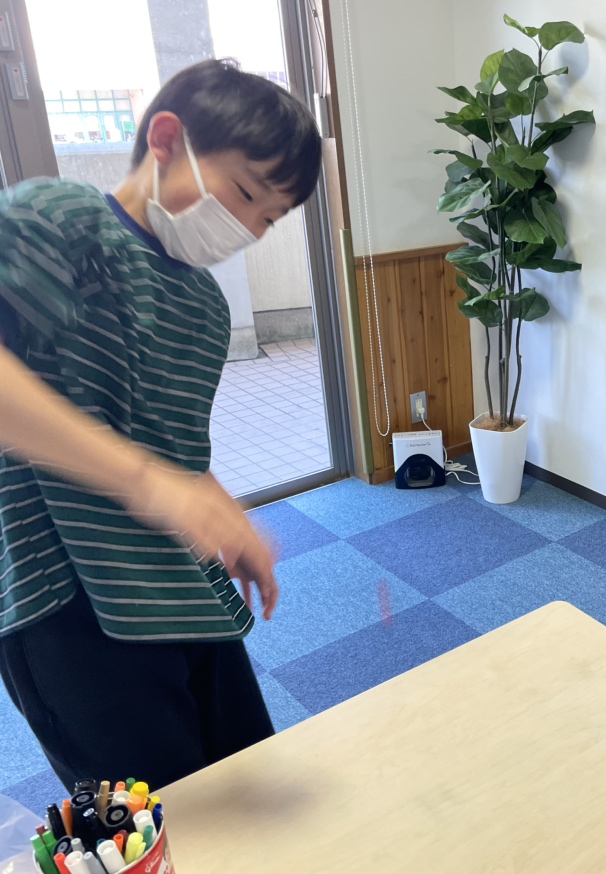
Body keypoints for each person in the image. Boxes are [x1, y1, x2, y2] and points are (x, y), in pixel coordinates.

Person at [0, 59, 321, 790]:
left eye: (269, 218)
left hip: (174, 583)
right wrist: (148, 482)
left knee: (246, 780)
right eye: (246, 194)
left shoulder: (204, 307)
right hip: (64, 596)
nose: (247, 228)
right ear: (167, 140)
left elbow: (170, 450)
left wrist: (219, 513)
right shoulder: (59, 220)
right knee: (152, 817)